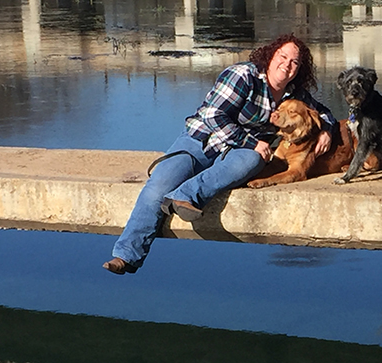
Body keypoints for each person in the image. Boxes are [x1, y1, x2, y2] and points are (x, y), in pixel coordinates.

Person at [104, 34, 338, 274]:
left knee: (252, 160)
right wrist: (250, 141)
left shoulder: (293, 94)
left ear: (299, 69)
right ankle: (126, 256)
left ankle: (184, 195)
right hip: (201, 142)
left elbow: (321, 113)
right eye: (283, 57)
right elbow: (214, 116)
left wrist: (327, 131)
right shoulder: (243, 76)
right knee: (157, 186)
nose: (287, 65)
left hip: (241, 152)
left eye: (294, 62)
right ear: (270, 56)